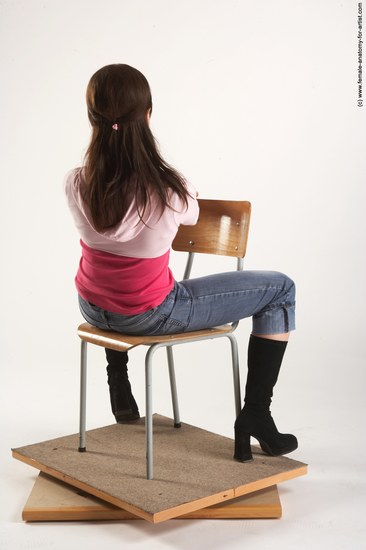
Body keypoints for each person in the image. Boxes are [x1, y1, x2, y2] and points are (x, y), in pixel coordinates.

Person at [65, 63, 298, 462]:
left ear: (92, 118)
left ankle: (117, 376)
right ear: (148, 116)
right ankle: (256, 415)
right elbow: (190, 216)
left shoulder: (76, 181)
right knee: (282, 290)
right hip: (149, 313)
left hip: (92, 306)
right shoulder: (168, 190)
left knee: (114, 283)